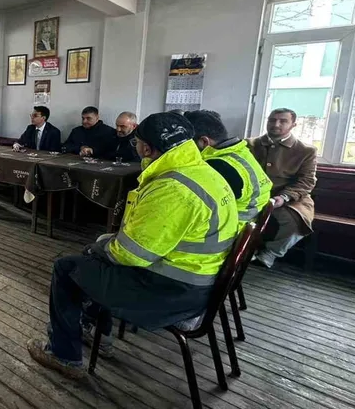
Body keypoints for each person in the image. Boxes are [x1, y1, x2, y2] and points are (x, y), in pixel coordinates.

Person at [27, 112, 237, 379]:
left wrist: (100, 247)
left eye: (136, 142)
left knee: (67, 268)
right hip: (199, 280)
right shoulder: (204, 172)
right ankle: (94, 330)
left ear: (146, 148)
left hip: (173, 290)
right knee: (94, 260)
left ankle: (64, 355)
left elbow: (130, 254)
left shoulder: (172, 187)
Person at [247, 108, 317, 268]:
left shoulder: (306, 151)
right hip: (252, 195)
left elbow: (306, 181)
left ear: (293, 125)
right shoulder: (249, 144)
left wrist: (284, 197)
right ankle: (244, 249)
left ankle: (270, 253)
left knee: (295, 222)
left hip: (289, 198)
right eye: (272, 120)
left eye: (283, 121)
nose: (276, 124)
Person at [185, 110, 272, 226]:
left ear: (204, 141)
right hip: (250, 217)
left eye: (186, 144)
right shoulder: (240, 151)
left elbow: (197, 207)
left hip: (231, 228)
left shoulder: (218, 166)